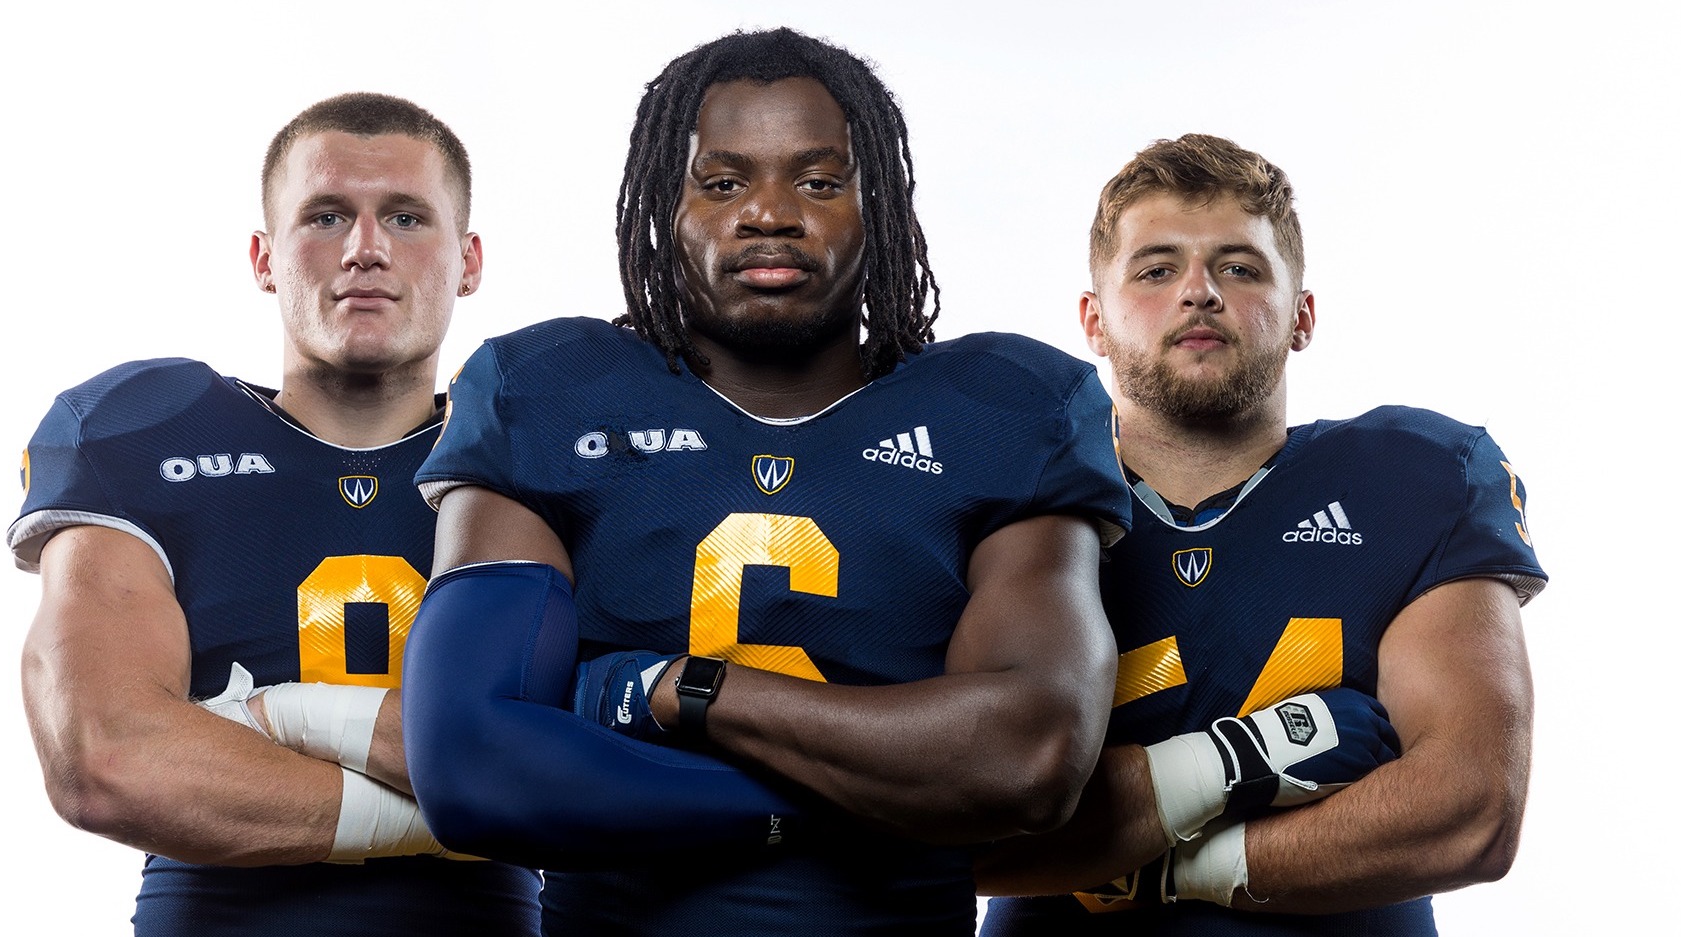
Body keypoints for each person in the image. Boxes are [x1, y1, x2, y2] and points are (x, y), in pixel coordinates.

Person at [397, 27, 1131, 936]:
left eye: (818, 182)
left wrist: (677, 688)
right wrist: (867, 795)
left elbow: (1030, 755)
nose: (768, 213)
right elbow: (473, 765)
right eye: (722, 181)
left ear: (884, 206)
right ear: (667, 203)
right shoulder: (543, 389)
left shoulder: (1009, 407)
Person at [976, 134, 1547, 936]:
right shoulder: (1002, 494)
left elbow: (1469, 808)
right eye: (1155, 269)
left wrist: (1146, 864)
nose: (1198, 292)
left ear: (1301, 315)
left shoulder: (1414, 477)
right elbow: (936, 825)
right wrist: (1248, 758)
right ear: (1092, 320)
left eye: (1239, 267)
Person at [9, 93, 540, 936]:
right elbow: (103, 761)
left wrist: (263, 722)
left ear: (469, 260)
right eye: (325, 216)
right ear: (264, 257)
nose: (365, 249)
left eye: (406, 217)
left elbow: (619, 740)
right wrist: (487, 803)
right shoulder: (143, 429)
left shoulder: (543, 448)